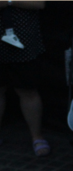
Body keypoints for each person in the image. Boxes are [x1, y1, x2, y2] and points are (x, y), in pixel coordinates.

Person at [0, 1, 50, 156]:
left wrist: (8, 1)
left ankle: (37, 137)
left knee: (27, 90)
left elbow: (39, 3)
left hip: (24, 42)